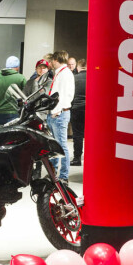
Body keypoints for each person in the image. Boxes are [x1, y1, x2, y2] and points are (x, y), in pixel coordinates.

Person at [47, 51, 75, 183]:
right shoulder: (60, 72)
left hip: (59, 113)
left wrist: (57, 111)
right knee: (54, 146)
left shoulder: (65, 73)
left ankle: (63, 176)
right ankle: (53, 174)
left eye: (52, 60)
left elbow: (64, 94)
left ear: (56, 59)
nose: (51, 63)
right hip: (55, 113)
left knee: (62, 146)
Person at [0, 56, 26, 126]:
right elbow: (25, 94)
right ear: (18, 67)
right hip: (13, 112)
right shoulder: (20, 78)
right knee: (11, 132)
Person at [70, 58, 87, 166]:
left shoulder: (73, 78)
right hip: (90, 110)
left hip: (76, 109)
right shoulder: (93, 78)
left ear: (78, 67)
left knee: (77, 135)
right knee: (91, 135)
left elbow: (70, 95)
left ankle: (77, 158)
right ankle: (91, 157)